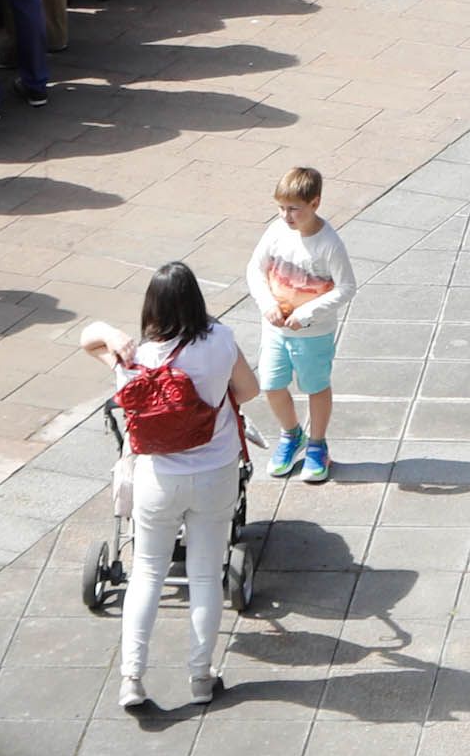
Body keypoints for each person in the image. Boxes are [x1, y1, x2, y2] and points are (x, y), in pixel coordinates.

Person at [89, 261, 253, 712]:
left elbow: (86, 338)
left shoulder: (133, 358)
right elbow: (251, 390)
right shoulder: (221, 341)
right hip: (216, 473)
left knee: (146, 574)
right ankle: (201, 676)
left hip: (157, 479)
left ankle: (131, 679)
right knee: (204, 575)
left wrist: (110, 332)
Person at [247, 164, 355, 482]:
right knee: (271, 383)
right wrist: (267, 304)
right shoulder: (277, 231)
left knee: (315, 386)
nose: (286, 216)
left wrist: (307, 313)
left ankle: (318, 444)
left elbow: (347, 286)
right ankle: (292, 435)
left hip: (313, 333)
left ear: (314, 204)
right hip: (275, 328)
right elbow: (255, 269)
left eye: (293, 209)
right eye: (281, 208)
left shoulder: (328, 243)